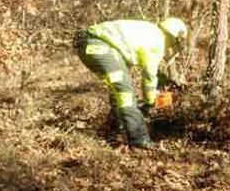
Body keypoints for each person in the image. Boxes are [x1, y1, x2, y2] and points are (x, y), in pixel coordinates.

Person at [74, 17, 188, 148]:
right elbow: (149, 78)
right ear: (173, 38)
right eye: (174, 45)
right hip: (99, 46)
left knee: (119, 91)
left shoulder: (150, 31)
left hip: (91, 44)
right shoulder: (157, 42)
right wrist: (150, 101)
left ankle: (114, 129)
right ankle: (138, 139)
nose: (172, 48)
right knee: (125, 93)